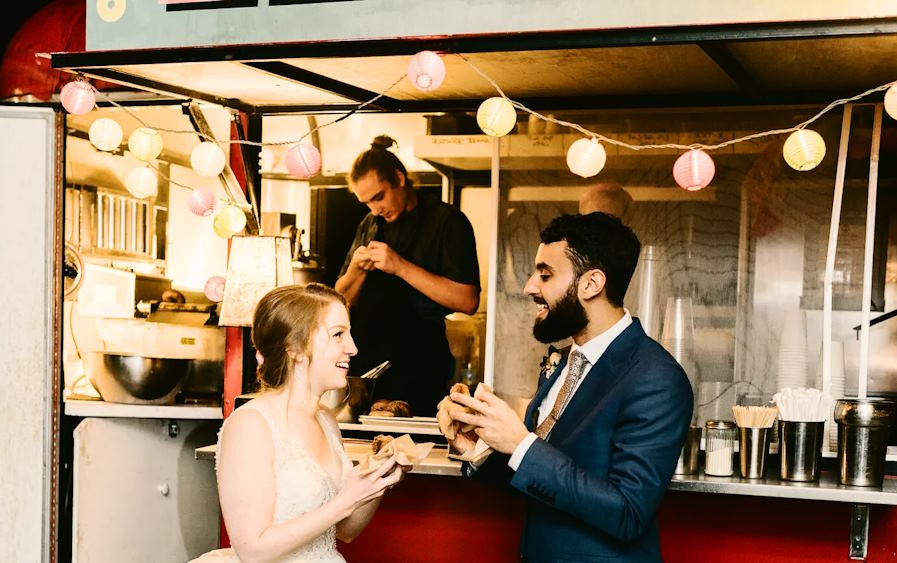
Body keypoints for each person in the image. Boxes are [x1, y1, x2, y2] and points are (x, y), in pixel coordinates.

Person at [445, 212, 693, 562]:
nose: (531, 286)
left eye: (545, 274)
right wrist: (479, 449)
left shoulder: (656, 378)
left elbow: (627, 513)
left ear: (591, 284)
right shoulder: (561, 363)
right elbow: (543, 483)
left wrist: (520, 443)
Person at [191, 284, 403, 563]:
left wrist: (377, 482)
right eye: (338, 334)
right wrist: (346, 500)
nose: (352, 348)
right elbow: (252, 550)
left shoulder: (326, 420)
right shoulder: (251, 425)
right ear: (295, 349)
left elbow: (345, 531)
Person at [335, 135, 481, 415]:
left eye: (379, 197)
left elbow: (467, 300)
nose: (375, 209)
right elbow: (339, 301)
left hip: (421, 366)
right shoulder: (369, 224)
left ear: (399, 179)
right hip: (368, 368)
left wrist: (400, 266)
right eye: (366, 203)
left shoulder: (447, 221)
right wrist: (355, 269)